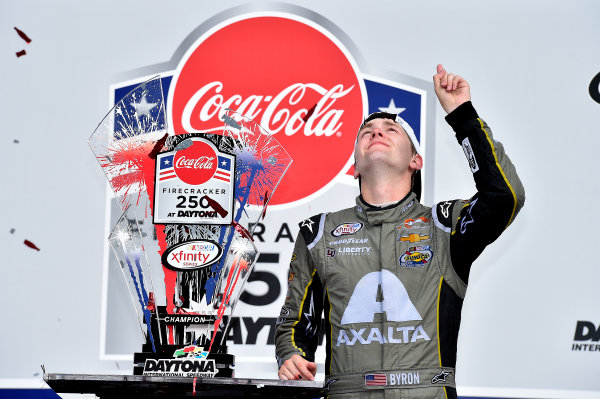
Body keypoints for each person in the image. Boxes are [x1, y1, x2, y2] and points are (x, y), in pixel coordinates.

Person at [274, 64, 525, 399]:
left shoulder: (444, 225)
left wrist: (462, 115)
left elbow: (504, 196)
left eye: (391, 129)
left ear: (415, 161)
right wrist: (291, 355)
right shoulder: (318, 231)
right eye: (367, 131)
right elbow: (294, 324)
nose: (376, 132)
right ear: (354, 166)